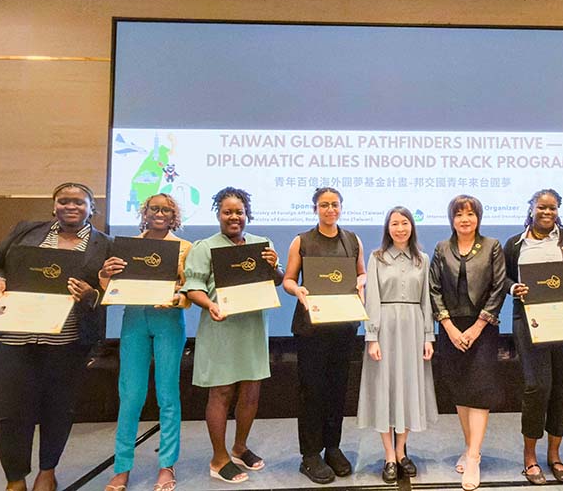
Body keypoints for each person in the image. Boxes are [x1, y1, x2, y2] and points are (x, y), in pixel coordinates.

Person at [0, 182, 112, 491]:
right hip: (11, 337)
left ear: (91, 208)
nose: (71, 206)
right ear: (54, 206)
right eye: (64, 201)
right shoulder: (25, 231)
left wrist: (91, 294)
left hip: (66, 342)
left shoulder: (106, 244)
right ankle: (15, 479)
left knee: (59, 409)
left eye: (79, 202)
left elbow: (108, 292)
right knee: (11, 412)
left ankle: (47, 471)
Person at [182, 187, 284, 485]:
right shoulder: (204, 247)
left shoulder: (262, 245)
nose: (234, 217)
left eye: (239, 212)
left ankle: (239, 448)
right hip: (221, 327)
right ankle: (219, 458)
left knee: (251, 391)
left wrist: (273, 265)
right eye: (227, 212)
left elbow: (277, 281)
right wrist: (210, 305)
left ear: (246, 214)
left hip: (252, 327)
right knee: (222, 392)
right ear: (218, 214)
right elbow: (193, 287)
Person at [100, 193, 192, 491]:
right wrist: (104, 273)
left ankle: (167, 464)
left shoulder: (185, 248)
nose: (160, 213)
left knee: (168, 394)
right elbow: (110, 286)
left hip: (169, 320)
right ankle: (122, 467)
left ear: (174, 215)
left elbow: (191, 287)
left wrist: (178, 298)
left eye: (166, 209)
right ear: (145, 212)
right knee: (130, 395)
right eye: (154, 208)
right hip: (135, 320)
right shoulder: (127, 246)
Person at [502, 189, 563, 485]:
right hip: (529, 322)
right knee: (537, 386)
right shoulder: (515, 244)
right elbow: (502, 278)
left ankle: (554, 454)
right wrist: (513, 288)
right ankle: (530, 456)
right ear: (531, 208)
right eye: (541, 207)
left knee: (561, 388)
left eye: (552, 208)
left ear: (558, 210)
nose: (547, 212)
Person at [282, 187, 366, 485]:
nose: (330, 209)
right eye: (324, 205)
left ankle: (332, 448)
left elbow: (360, 273)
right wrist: (298, 290)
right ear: (315, 208)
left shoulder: (352, 240)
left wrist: (362, 282)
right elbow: (288, 280)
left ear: (341, 207)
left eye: (335, 204)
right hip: (312, 329)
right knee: (312, 392)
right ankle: (310, 455)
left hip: (343, 326)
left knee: (337, 391)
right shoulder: (302, 241)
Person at [428, 194, 506, 491]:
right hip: (451, 328)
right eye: (459, 214)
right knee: (461, 389)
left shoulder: (492, 246)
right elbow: (434, 289)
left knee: (480, 391)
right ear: (452, 219)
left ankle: (473, 457)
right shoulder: (441, 248)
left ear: (478, 218)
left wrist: (477, 327)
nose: (465, 219)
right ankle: (470, 447)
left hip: (482, 327)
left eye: (470, 214)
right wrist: (448, 326)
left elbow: (498, 288)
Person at [357, 206, 438, 483]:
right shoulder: (377, 258)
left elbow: (426, 300)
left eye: (405, 223)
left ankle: (402, 450)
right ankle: (389, 455)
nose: (400, 228)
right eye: (394, 223)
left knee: (408, 390)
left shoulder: (422, 259)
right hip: (385, 330)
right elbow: (372, 300)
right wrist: (372, 337)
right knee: (385, 390)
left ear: (412, 226)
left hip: (414, 329)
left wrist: (428, 336)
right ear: (387, 228)